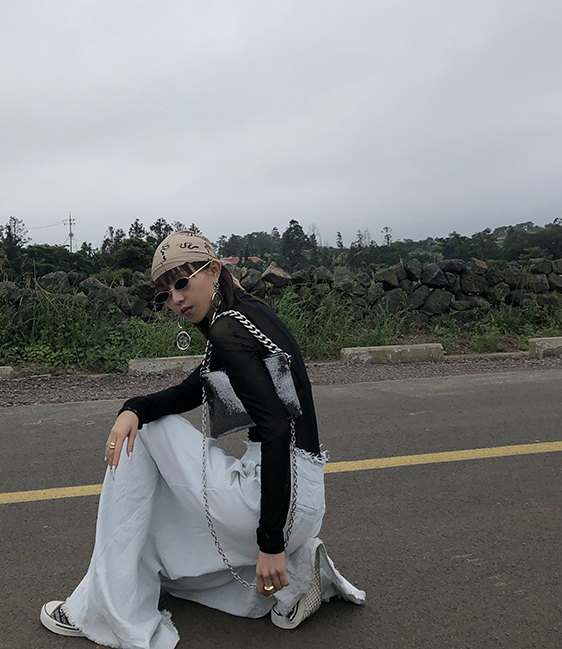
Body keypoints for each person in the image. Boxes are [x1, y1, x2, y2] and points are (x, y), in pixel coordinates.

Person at [40, 231, 364, 648]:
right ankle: (299, 579)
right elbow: (189, 392)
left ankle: (101, 610)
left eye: (181, 282)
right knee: (162, 528)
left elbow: (276, 431)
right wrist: (133, 406)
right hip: (303, 498)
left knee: (149, 432)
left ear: (213, 270)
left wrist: (270, 544)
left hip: (271, 501)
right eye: (165, 294)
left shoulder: (228, 330)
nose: (176, 299)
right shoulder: (248, 315)